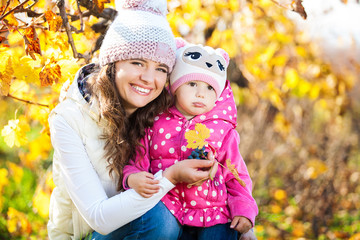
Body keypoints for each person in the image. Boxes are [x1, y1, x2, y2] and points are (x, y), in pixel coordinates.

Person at [47, 1, 217, 239]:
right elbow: (99, 218)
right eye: (137, 63)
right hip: (90, 234)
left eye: (160, 69)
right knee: (159, 219)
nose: (149, 78)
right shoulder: (68, 118)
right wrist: (170, 177)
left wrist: (208, 163)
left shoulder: (163, 111)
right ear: (113, 64)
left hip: (156, 223)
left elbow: (215, 86)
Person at [123, 39, 259, 240]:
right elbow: (136, 160)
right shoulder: (155, 120)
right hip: (166, 204)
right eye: (192, 83)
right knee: (161, 230)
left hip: (213, 211)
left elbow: (236, 174)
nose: (200, 94)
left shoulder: (222, 130)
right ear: (175, 86)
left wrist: (245, 213)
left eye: (209, 88)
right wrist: (132, 177)